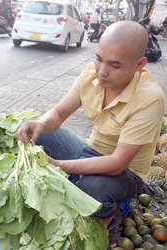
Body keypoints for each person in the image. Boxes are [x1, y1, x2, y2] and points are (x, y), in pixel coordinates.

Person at [17, 21, 165, 228]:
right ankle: (76, 179)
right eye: (98, 59)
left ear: (139, 64)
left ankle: (115, 208)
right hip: (89, 150)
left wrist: (59, 165)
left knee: (91, 189)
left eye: (114, 65)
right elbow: (59, 113)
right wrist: (40, 123)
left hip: (126, 172)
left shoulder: (149, 100)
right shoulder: (90, 74)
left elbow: (117, 163)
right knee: (34, 131)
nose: (102, 71)